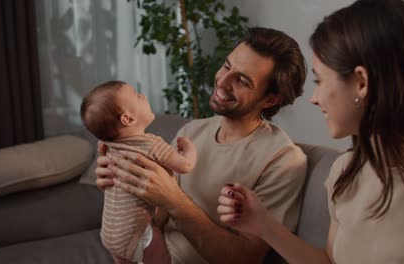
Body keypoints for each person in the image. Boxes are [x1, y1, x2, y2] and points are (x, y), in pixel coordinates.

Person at [218, 0, 404, 263]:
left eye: (320, 81)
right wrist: (262, 223)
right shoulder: (346, 172)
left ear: (361, 82)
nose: (314, 98)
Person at [95, 27, 308, 263]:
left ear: (271, 99)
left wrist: (174, 200)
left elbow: (245, 258)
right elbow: (156, 221)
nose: (222, 82)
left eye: (242, 80)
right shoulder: (193, 131)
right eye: (227, 66)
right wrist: (125, 187)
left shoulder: (283, 160)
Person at [80, 80, 197, 264]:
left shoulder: (109, 147)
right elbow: (185, 166)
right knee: (161, 258)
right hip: (137, 233)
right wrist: (190, 148)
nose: (143, 96)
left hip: (109, 233)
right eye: (136, 95)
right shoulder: (150, 144)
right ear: (128, 119)